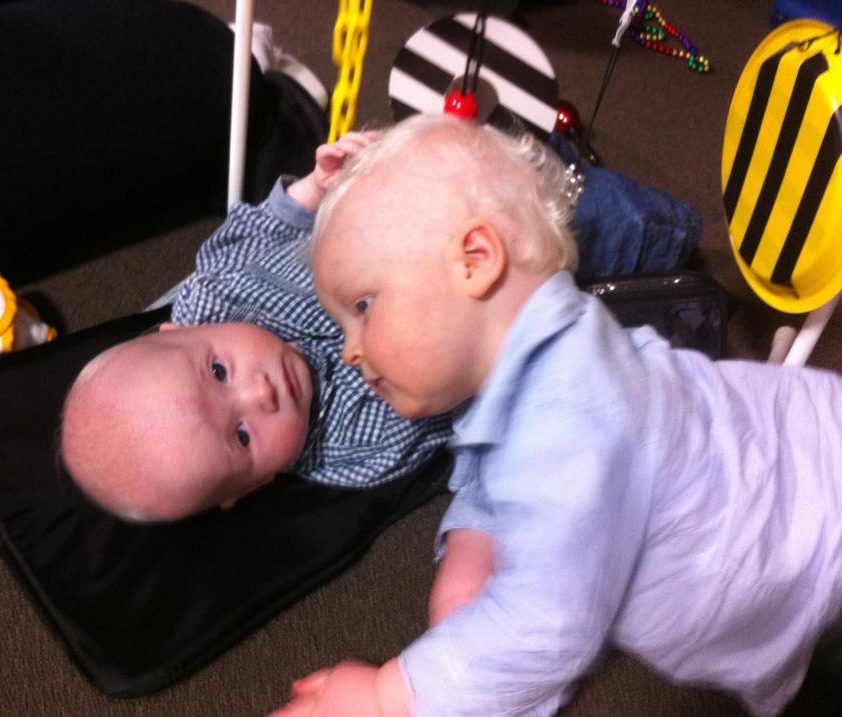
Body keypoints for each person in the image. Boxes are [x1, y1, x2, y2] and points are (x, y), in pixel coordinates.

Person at [271, 113, 842, 717]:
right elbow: (506, 464)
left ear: (476, 259)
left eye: (363, 307)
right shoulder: (554, 352)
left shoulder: (571, 418)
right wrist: (475, 538)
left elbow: (547, 628)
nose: (349, 350)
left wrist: (388, 697)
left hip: (817, 576)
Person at [60, 132, 451, 522]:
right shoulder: (350, 445)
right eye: (242, 436)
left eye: (219, 371)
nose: (262, 393)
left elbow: (265, 226)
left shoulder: (214, 294)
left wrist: (317, 187)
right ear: (255, 483)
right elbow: (452, 396)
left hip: (382, 200)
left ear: (179, 329)